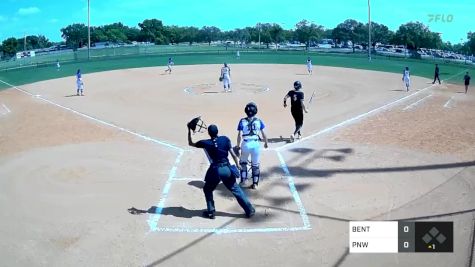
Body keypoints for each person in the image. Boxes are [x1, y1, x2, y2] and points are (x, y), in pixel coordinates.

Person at [188, 124, 255, 219]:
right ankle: (249, 210)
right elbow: (233, 154)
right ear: (217, 131)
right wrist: (237, 165)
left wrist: (189, 131)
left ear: (209, 133)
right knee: (236, 189)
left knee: (207, 189)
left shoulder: (206, 143)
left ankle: (211, 212)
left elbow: (191, 143)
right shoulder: (225, 139)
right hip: (227, 169)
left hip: (215, 170)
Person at [236, 102, 268, 189]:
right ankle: (255, 184)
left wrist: (238, 145)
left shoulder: (242, 121)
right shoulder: (258, 121)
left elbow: (239, 135)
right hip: (256, 144)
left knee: (243, 163)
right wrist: (266, 143)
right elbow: (263, 133)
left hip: (245, 144)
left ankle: (243, 181)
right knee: (255, 165)